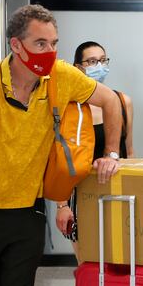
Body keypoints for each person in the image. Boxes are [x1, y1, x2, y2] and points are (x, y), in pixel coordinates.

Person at [0, 4, 122, 286]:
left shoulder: (60, 76)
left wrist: (111, 153)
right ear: (16, 45)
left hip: (27, 211)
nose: (50, 52)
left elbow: (112, 102)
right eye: (40, 44)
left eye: (54, 43)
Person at [53, 40, 134, 238]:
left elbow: (129, 150)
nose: (99, 66)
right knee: (87, 262)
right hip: (81, 194)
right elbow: (59, 160)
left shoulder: (122, 102)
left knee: (120, 260)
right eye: (91, 61)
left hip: (117, 191)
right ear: (77, 67)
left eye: (103, 60)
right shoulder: (70, 108)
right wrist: (62, 205)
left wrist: (134, 189)